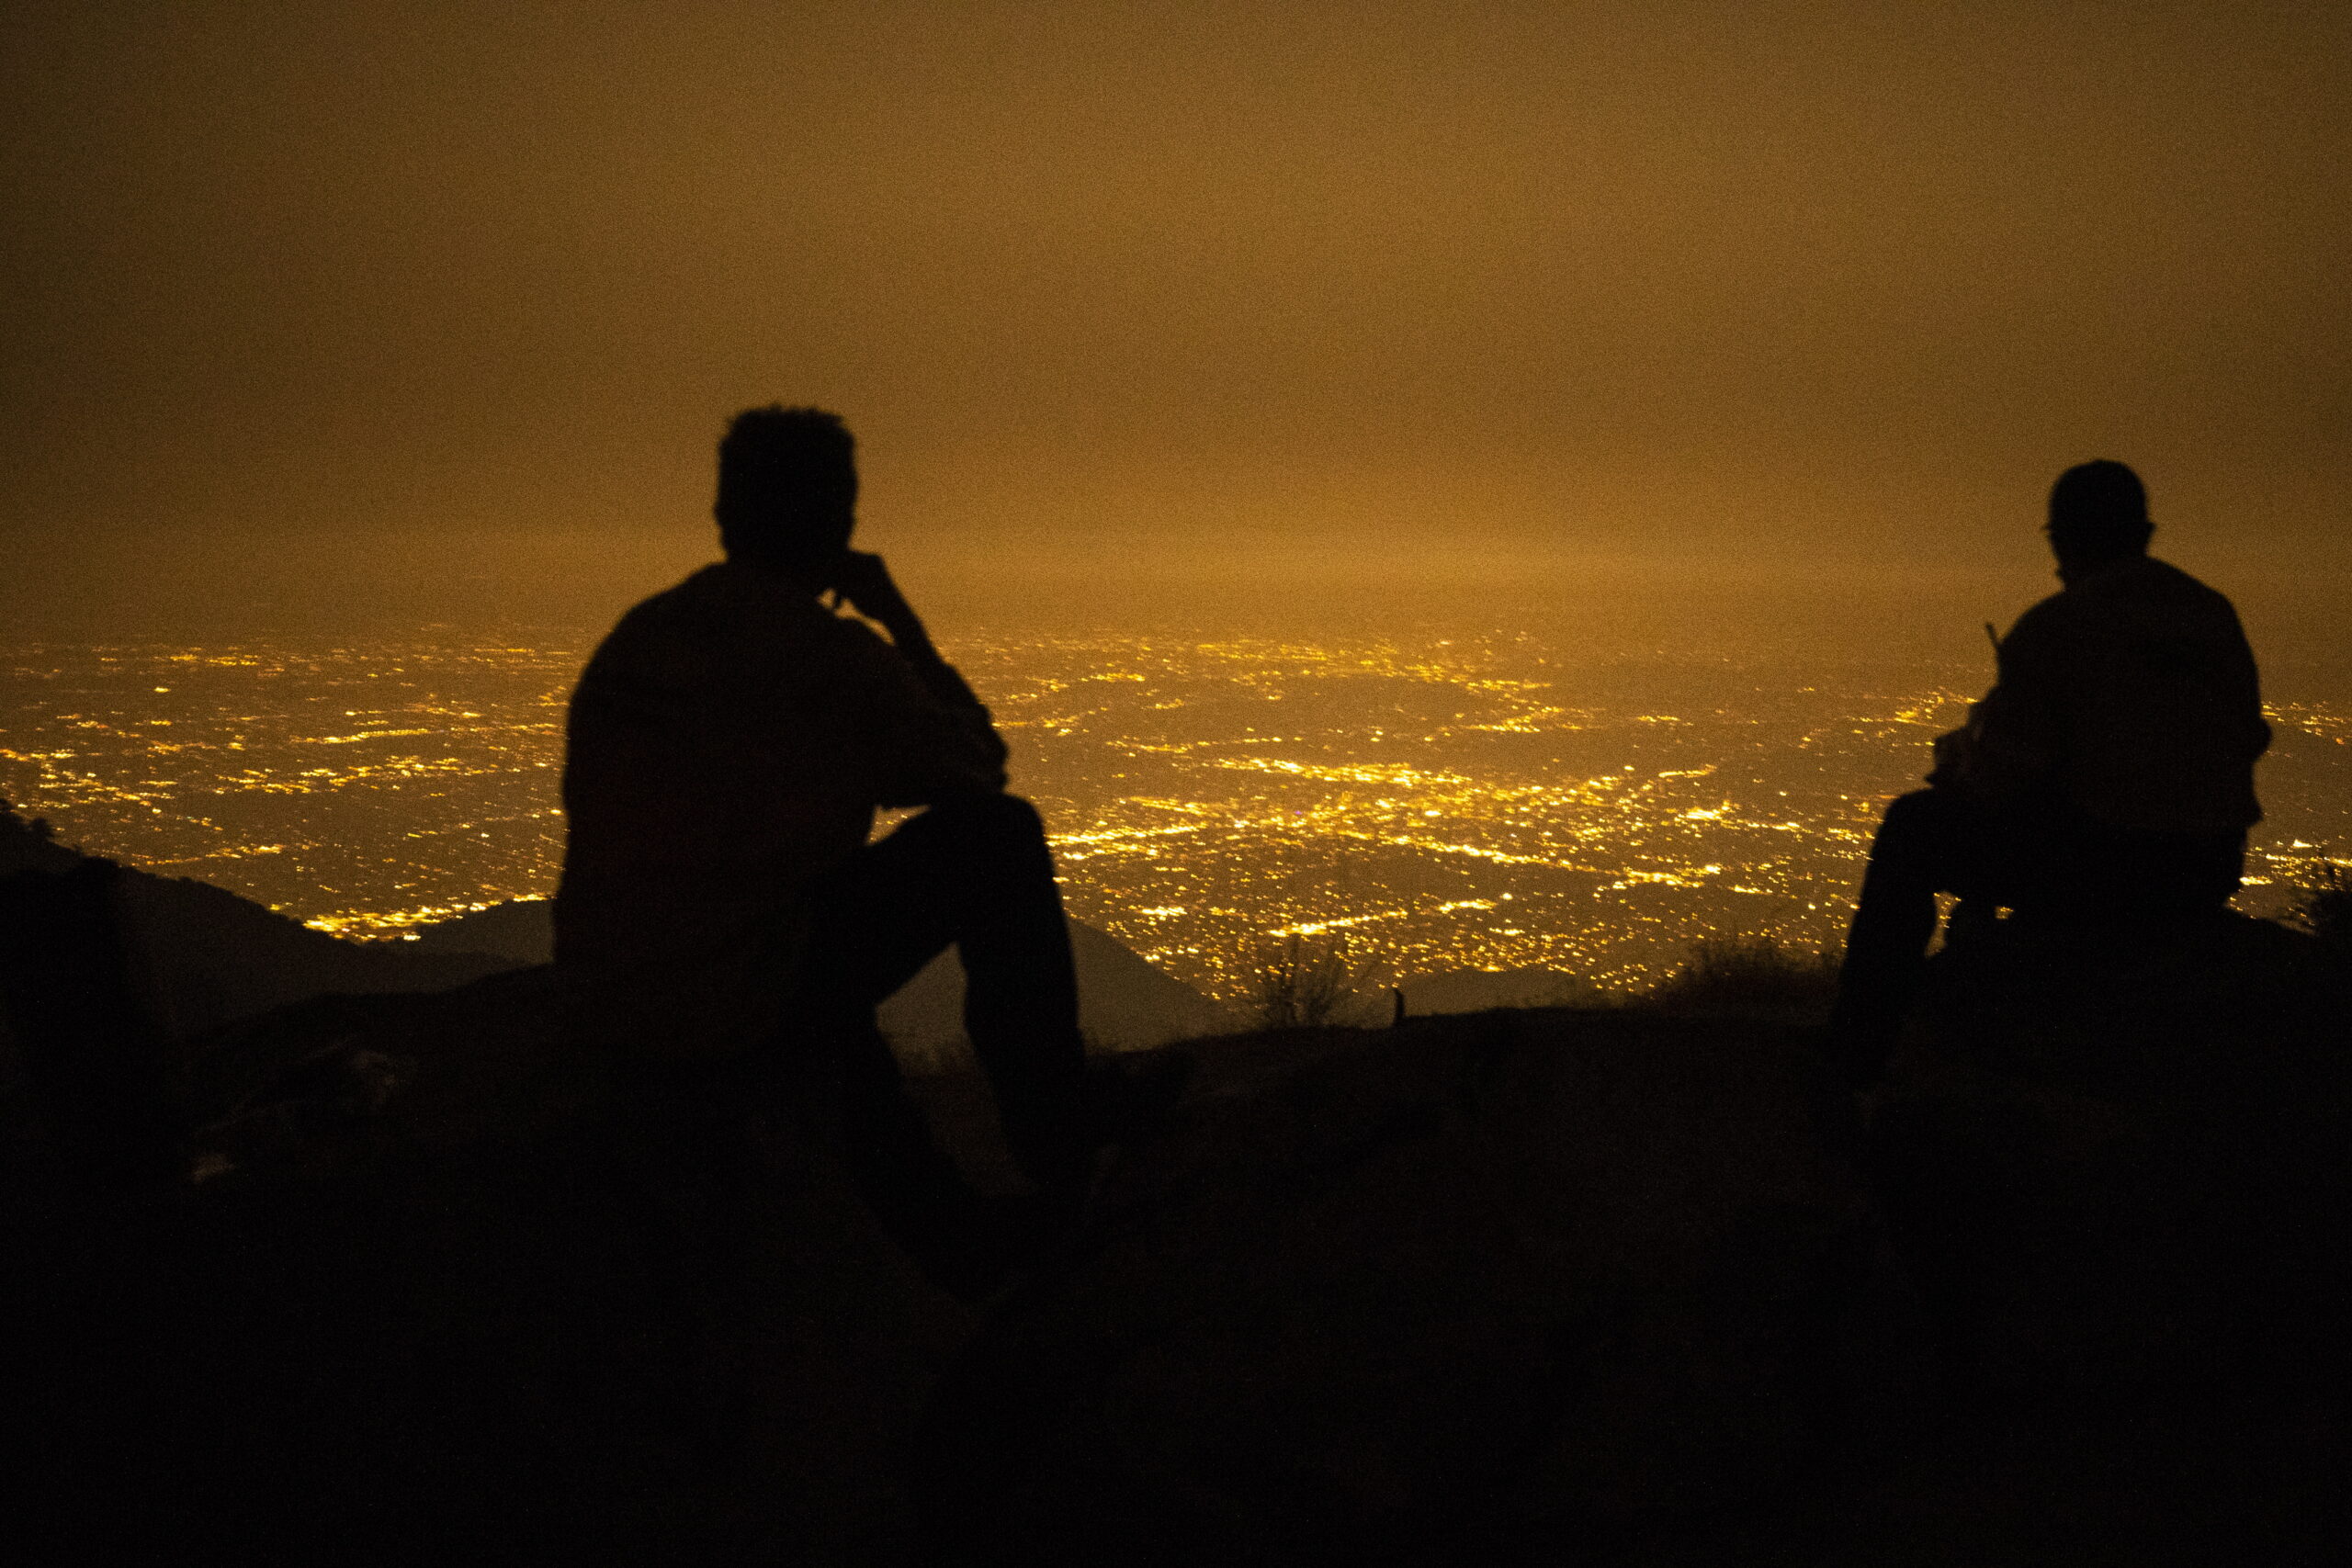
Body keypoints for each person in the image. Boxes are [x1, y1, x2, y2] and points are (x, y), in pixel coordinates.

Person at [554, 406, 1121, 1275]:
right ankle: (1062, 1146)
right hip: (740, 989)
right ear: (842, 521)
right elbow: (979, 770)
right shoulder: (830, 660)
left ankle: (949, 1230)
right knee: (997, 841)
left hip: (615, 987)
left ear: (724, 515)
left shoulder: (640, 640)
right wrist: (903, 622)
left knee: (798, 932)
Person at [1827, 460, 2269, 1083]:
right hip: (2208, 865)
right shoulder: (2209, 615)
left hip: (2109, 868)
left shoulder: (2058, 626)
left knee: (1912, 827)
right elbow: (2248, 736)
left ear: (2061, 540)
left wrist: (1962, 757)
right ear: (2145, 531)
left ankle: (1857, 1052)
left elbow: (2002, 772)